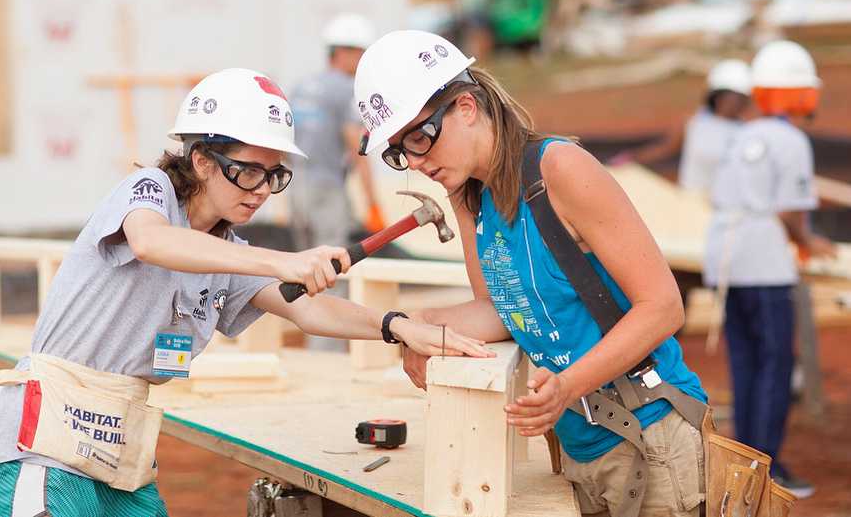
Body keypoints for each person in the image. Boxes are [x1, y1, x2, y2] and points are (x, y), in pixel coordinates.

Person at [0, 67, 488, 517]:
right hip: (47, 447)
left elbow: (309, 312)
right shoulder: (150, 191)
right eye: (247, 171)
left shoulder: (227, 253)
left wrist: (395, 325)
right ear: (201, 160)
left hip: (121, 454)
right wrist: (282, 260)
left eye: (274, 175)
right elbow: (152, 242)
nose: (262, 189)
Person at [354, 30, 708, 517]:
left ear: (465, 107)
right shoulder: (470, 196)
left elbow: (663, 307)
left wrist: (568, 385)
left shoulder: (559, 169)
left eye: (419, 138)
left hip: (651, 436)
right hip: (581, 445)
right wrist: (419, 327)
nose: (416, 162)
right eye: (400, 152)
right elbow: (500, 311)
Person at [704, 40, 834, 498]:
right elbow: (791, 210)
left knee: (746, 363)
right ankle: (766, 468)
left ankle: (746, 463)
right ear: (801, 93)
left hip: (727, 259)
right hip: (764, 263)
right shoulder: (790, 140)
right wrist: (808, 242)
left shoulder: (743, 135)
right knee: (775, 364)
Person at [289, 13, 385, 351]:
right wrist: (373, 204)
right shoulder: (346, 89)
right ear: (343, 53)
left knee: (303, 269)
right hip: (327, 189)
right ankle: (326, 351)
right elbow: (357, 149)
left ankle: (310, 343)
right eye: (360, 54)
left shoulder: (303, 86)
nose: (362, 63)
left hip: (296, 187)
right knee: (332, 269)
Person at [609, 59, 753, 192]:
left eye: (740, 98)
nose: (734, 103)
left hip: (724, 203)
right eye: (730, 96)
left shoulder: (746, 131)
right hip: (691, 198)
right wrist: (631, 158)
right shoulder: (692, 123)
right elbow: (664, 149)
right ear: (717, 95)